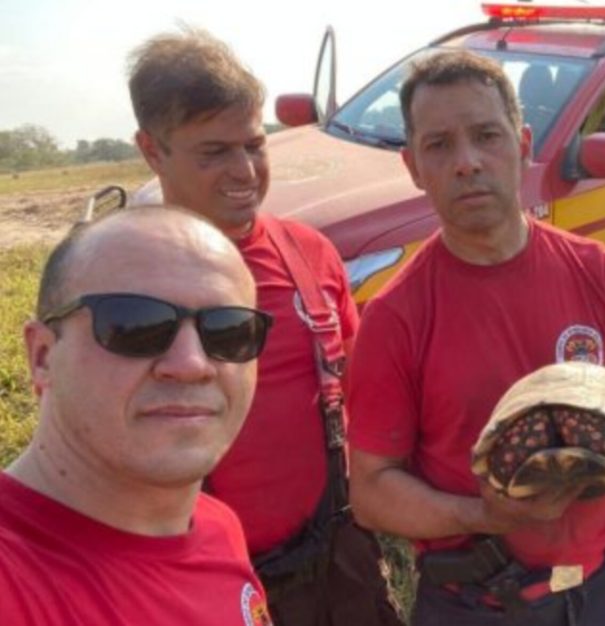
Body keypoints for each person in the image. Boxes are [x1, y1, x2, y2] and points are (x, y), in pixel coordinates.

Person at [346, 50, 605, 626]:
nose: (467, 162)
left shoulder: (599, 272)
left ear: (523, 143)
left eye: (487, 135)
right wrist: (485, 515)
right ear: (413, 166)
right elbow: (372, 490)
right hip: (478, 604)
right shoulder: (396, 318)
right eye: (440, 145)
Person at [128, 28, 402, 626]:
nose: (244, 171)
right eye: (214, 152)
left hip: (338, 559)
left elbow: (362, 388)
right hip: (199, 580)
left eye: (254, 145)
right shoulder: (122, 281)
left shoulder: (308, 252)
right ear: (152, 150)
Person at [0, 207, 274, 625]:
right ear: (42, 355)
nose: (191, 364)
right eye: (134, 325)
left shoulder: (216, 527)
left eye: (229, 330)